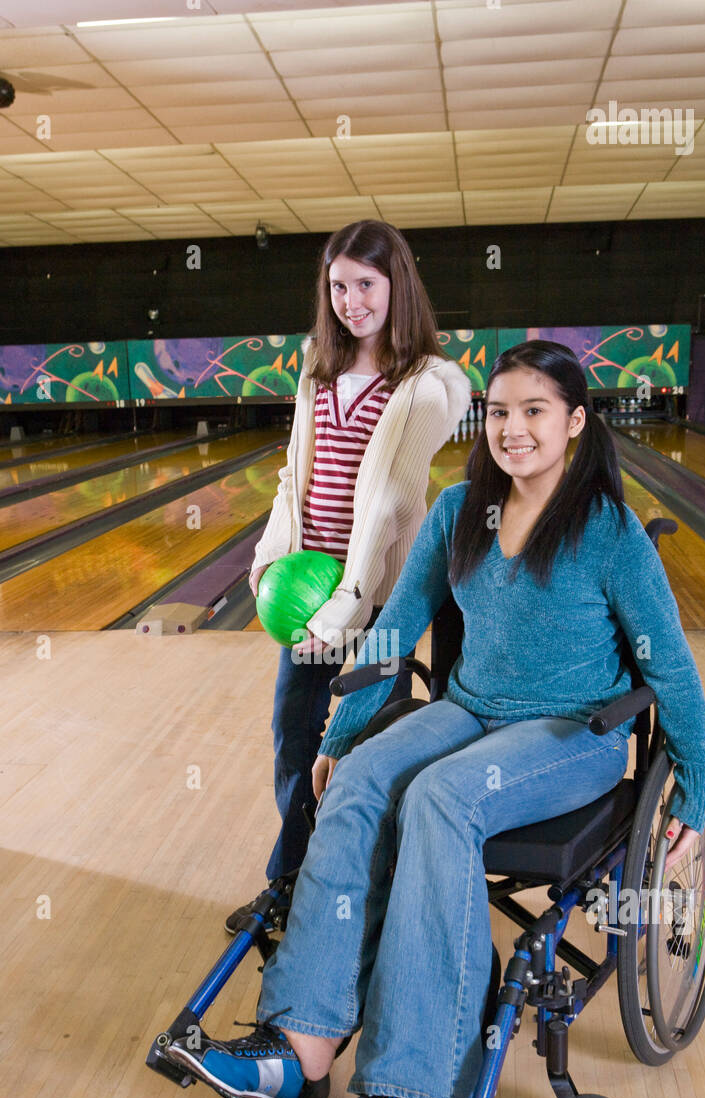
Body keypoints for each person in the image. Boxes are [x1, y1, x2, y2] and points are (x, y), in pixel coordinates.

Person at [192, 339, 705, 1098]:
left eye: (534, 410)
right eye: (500, 410)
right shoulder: (458, 511)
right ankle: (301, 1049)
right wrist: (342, 733)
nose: (512, 428)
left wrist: (696, 770)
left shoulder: (609, 532)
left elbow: (668, 663)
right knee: (363, 779)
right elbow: (397, 629)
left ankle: (421, 1089)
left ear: (575, 422)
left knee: (440, 797)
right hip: (472, 709)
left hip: (575, 731)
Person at [225, 220, 471, 933]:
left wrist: (350, 602)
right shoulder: (317, 364)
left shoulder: (429, 384)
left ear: (398, 284)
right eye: (338, 285)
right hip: (308, 597)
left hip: (380, 602)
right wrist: (270, 557)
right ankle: (294, 882)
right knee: (294, 739)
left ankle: (359, 894)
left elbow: (391, 503)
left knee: (362, 756)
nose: (351, 300)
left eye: (366, 283)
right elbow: (294, 473)